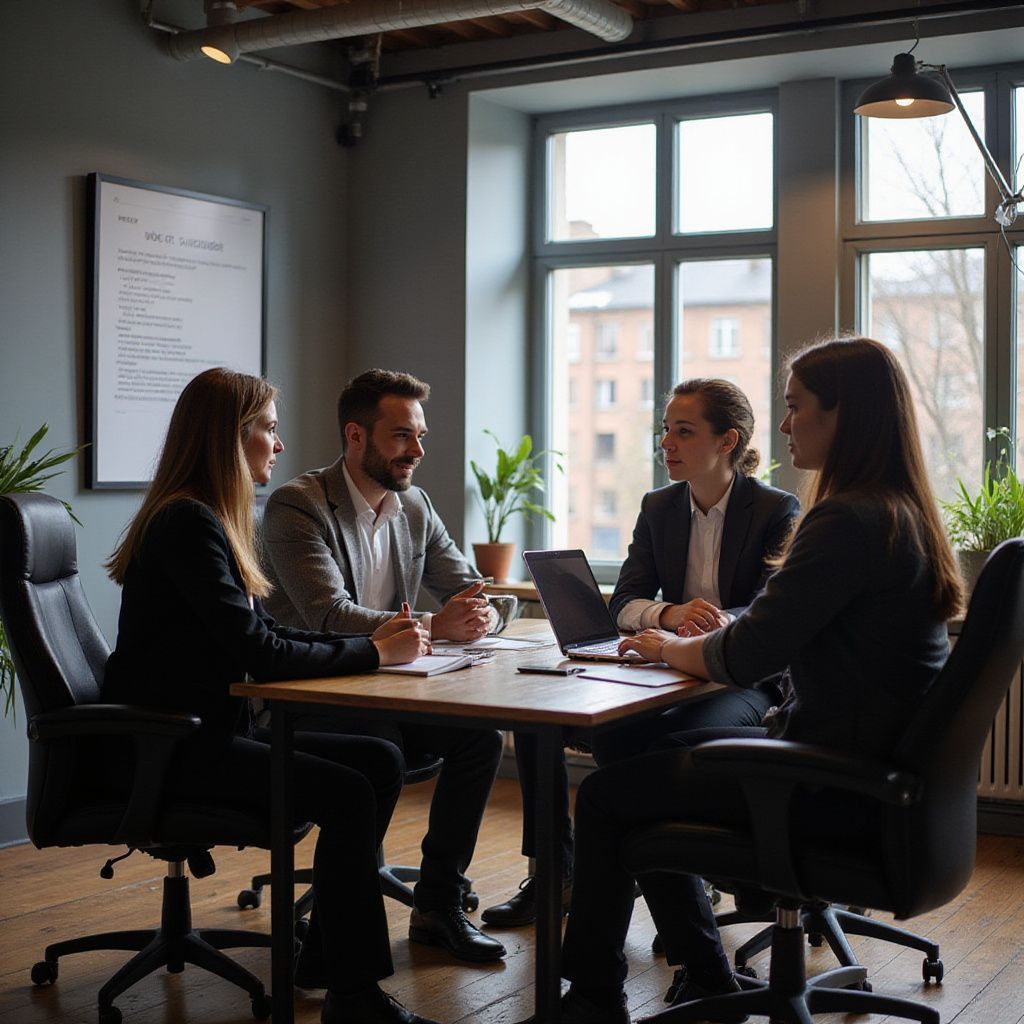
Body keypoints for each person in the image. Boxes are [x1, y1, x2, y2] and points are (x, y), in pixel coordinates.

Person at [519, 337, 963, 1023]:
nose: (783, 428)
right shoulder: (896, 512)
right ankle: (703, 971)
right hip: (873, 781)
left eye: (795, 408)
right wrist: (672, 633)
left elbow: (747, 653)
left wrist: (663, 644)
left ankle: (598, 1000)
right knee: (633, 765)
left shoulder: (843, 519)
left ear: (845, 417)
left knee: (609, 795)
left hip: (828, 786)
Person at [101, 368, 439, 1024]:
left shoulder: (206, 520)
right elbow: (261, 653)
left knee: (375, 757)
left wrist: (375, 647)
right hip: (173, 751)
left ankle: (323, 957)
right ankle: (356, 999)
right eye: (269, 430)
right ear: (231, 438)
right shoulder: (187, 526)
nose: (279, 446)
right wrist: (374, 651)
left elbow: (261, 633)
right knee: (347, 790)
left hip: (209, 733)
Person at [483, 379, 799, 928]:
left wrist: (715, 626)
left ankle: (662, 877)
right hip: (665, 665)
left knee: (645, 746)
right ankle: (557, 873)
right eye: (664, 430)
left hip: (744, 678)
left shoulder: (776, 508)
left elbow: (774, 612)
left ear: (728, 441)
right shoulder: (659, 508)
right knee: (545, 728)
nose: (666, 443)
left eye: (683, 431)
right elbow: (626, 599)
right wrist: (671, 615)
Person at [262, 368, 506, 963]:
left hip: (391, 686)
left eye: (419, 436)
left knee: (480, 739)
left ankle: (438, 906)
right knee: (381, 747)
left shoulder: (414, 505)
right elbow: (327, 614)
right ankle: (339, 935)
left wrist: (480, 618)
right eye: (401, 437)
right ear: (356, 435)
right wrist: (432, 627)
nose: (417, 452)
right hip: (310, 692)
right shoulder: (297, 505)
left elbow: (471, 588)